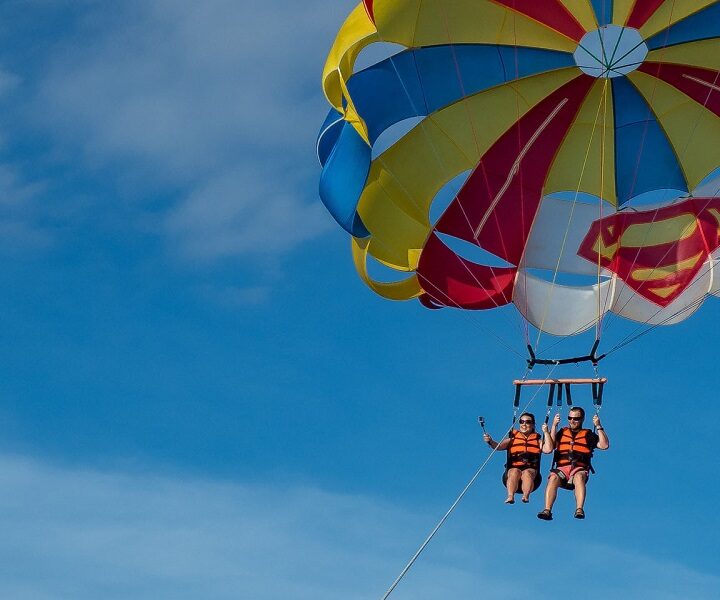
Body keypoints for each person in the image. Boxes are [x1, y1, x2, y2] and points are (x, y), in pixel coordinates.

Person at [536, 407, 609, 521]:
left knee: (579, 477)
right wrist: (554, 425)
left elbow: (604, 445)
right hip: (562, 469)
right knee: (553, 477)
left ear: (582, 419)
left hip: (579, 469)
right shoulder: (562, 432)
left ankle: (579, 509)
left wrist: (598, 426)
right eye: (570, 418)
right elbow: (551, 444)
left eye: (576, 418)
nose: (572, 421)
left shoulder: (588, 434)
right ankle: (547, 510)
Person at [484, 412, 547, 504]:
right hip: (513, 468)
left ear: (533, 425)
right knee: (514, 472)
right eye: (521, 422)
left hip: (531, 470)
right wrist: (490, 441)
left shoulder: (538, 441)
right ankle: (510, 496)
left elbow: (548, 449)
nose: (524, 424)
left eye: (528, 422)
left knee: (527, 473)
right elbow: (498, 446)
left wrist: (546, 432)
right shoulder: (512, 440)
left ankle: (525, 496)